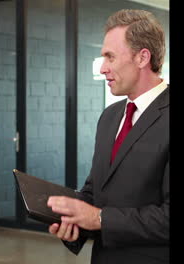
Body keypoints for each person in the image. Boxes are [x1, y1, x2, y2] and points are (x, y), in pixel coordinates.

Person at [47, 9, 169, 263]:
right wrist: (74, 225)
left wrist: (99, 218)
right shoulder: (110, 117)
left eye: (110, 57)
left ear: (142, 57)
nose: (103, 68)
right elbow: (95, 191)